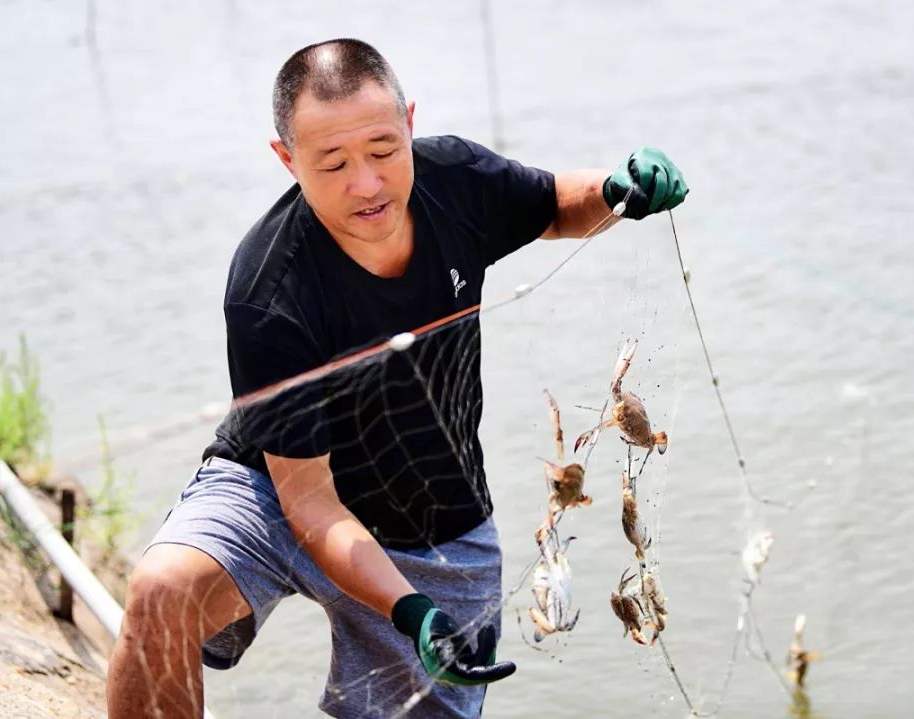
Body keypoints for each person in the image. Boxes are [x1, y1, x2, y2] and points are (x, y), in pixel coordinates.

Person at [106, 37, 687, 719]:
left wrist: (616, 191)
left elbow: (557, 205)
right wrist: (408, 609)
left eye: (383, 150)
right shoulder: (268, 293)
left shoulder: (457, 179)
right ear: (287, 159)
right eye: (332, 163)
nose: (367, 183)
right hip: (278, 489)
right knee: (162, 592)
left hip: (437, 517)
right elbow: (311, 505)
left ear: (410, 124)